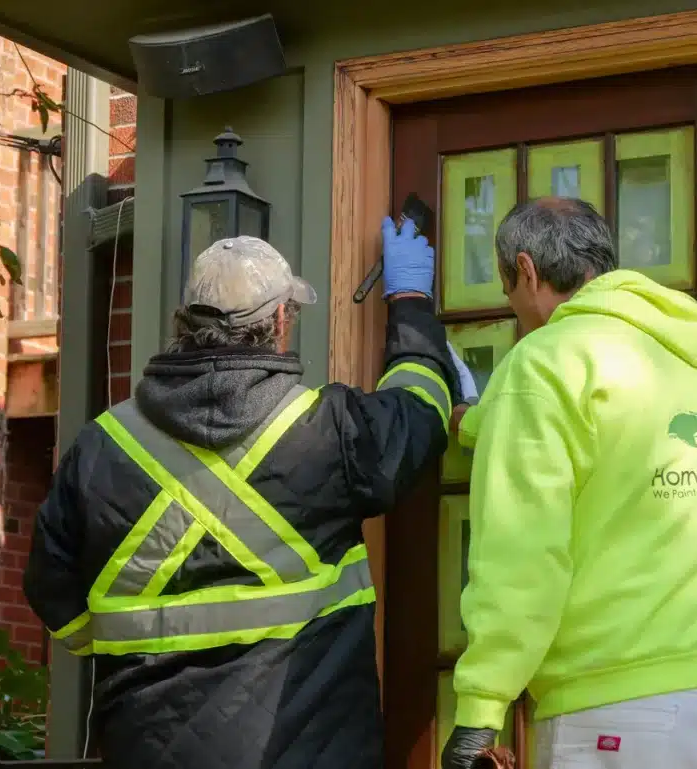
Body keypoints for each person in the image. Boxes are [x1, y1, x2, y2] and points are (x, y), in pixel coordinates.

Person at [24, 219, 460, 769]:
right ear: (281, 320)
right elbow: (419, 410)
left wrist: (121, 644)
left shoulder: (102, 445)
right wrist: (411, 301)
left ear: (183, 323)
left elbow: (50, 584)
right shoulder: (326, 431)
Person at [442, 198, 697, 769]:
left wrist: (480, 711)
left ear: (526, 271)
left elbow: (522, 560)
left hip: (625, 706)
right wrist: (483, 419)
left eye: (508, 289)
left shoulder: (544, 362)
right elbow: (621, 441)